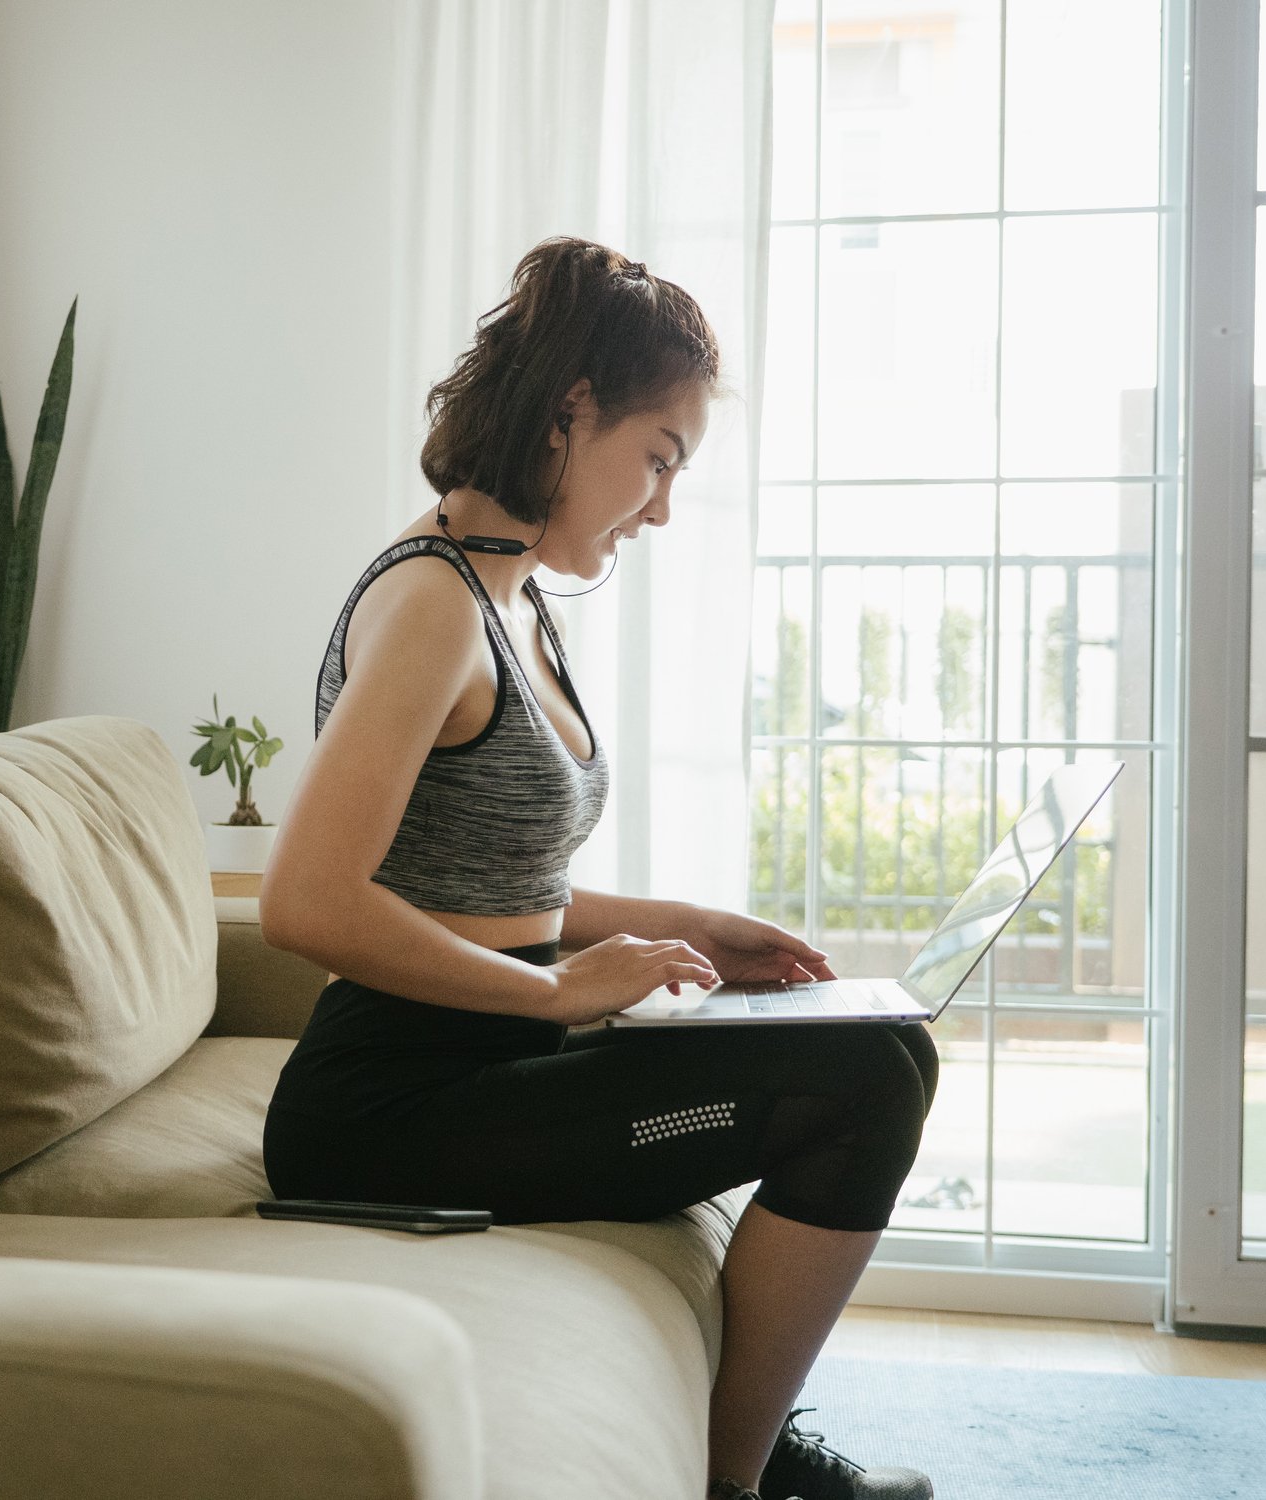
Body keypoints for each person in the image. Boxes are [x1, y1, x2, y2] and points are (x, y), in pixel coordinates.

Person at [257, 236, 939, 1500]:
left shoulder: (514, 595)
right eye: (658, 461)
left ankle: (749, 1445)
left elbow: (486, 882)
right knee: (858, 1084)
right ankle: (739, 1485)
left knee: (886, 1044)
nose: (661, 508)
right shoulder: (434, 606)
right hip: (390, 1109)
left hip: (487, 1061)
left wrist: (681, 924)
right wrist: (558, 992)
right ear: (571, 413)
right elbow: (304, 900)